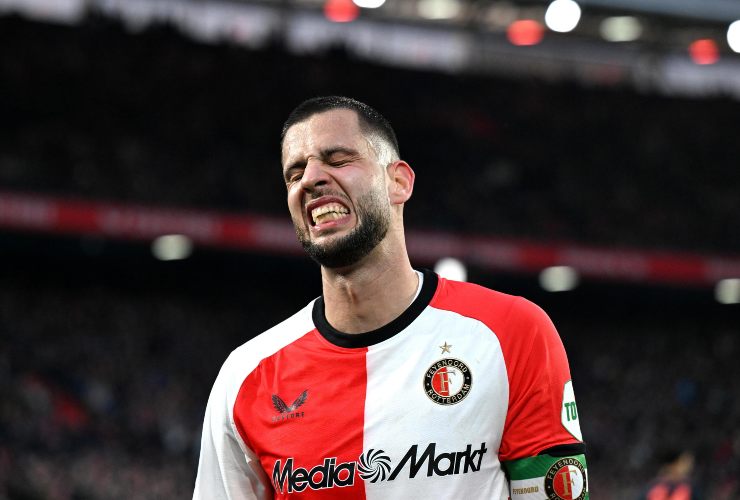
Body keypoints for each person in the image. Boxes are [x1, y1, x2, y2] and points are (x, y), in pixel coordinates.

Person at [193, 96, 588, 499]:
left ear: (398, 182)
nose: (310, 178)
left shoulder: (512, 333)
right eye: (294, 174)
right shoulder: (244, 377)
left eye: (338, 159)